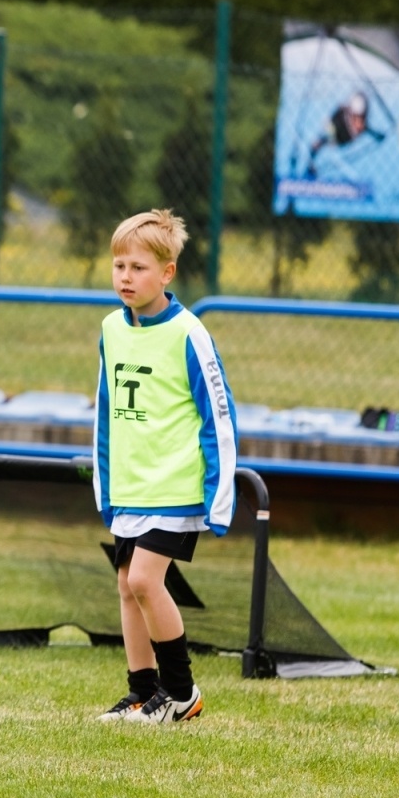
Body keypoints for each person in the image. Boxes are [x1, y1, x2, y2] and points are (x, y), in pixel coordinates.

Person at [94, 209, 238, 725]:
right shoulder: (112, 329)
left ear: (167, 273)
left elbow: (218, 416)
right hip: (131, 487)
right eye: (118, 266)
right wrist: (104, 483)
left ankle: (182, 696)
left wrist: (219, 496)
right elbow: (106, 415)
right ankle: (142, 693)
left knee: (145, 581)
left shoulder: (189, 334)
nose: (126, 277)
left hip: (176, 487)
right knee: (125, 584)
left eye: (137, 267)